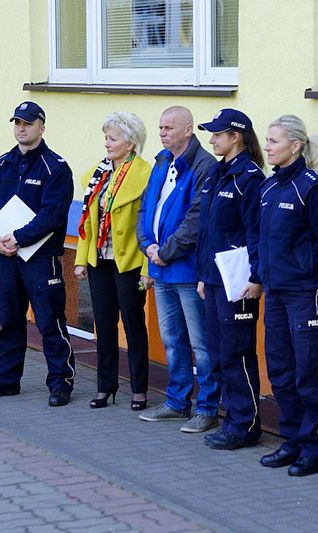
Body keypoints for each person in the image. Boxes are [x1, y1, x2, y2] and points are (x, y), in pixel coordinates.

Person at [257, 115, 318, 476]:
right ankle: (291, 440)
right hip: (276, 293)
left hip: (306, 293)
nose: (267, 146)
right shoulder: (269, 187)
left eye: (274, 141)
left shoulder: (312, 189)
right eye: (266, 140)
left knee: (308, 371)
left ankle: (316, 446)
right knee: (280, 369)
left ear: (295, 146)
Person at [0, 101, 75, 407]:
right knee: (8, 321)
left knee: (49, 323)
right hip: (6, 258)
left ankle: (60, 383)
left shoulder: (55, 168)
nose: (21, 127)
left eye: (28, 123)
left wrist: (18, 238)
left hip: (40, 260)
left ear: (41, 127)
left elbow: (53, 215)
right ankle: (6, 380)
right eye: (17, 122)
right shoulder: (2, 164)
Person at [136, 106, 220, 433]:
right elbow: (147, 208)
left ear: (188, 131)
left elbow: (197, 219)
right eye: (160, 127)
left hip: (186, 269)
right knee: (172, 339)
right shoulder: (160, 161)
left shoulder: (204, 165)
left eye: (169, 127)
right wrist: (148, 246)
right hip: (161, 268)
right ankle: (176, 402)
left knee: (201, 344)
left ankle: (207, 407)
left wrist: (166, 252)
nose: (162, 132)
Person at [196, 108, 266, 450]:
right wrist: (203, 276)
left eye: (217, 134)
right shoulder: (215, 174)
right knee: (219, 353)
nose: (212, 139)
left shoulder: (249, 178)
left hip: (238, 280)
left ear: (236, 136)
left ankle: (245, 424)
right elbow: (207, 231)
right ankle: (232, 419)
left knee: (237, 353)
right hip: (214, 278)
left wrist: (256, 276)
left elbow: (256, 232)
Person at [74, 112, 151, 411]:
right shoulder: (98, 173)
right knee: (103, 325)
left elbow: (148, 225)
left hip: (129, 262)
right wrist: (81, 259)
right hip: (99, 260)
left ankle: (140, 389)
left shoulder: (144, 174)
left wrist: (148, 269)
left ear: (131, 144)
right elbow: (88, 221)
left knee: (133, 326)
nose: (107, 143)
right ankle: (106, 386)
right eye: (106, 137)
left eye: (113, 138)